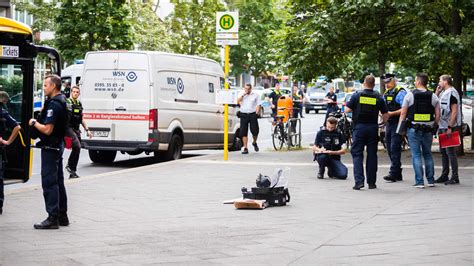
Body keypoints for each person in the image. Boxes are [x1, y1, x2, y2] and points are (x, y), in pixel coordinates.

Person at [29, 75, 69, 229]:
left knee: (49, 182)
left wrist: (34, 123)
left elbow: (47, 129)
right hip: (57, 145)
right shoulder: (63, 101)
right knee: (58, 181)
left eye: (45, 85)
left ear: (53, 86)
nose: (44, 87)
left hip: (51, 148)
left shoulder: (54, 104)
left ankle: (52, 218)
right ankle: (62, 216)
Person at [345, 75, 389, 190]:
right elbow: (385, 114)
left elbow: (347, 110)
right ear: (374, 84)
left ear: (364, 83)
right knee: (372, 155)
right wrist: (383, 124)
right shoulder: (378, 97)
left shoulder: (357, 95)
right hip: (372, 129)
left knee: (357, 155)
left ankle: (359, 182)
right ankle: (372, 183)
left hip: (359, 128)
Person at [398, 73, 440, 188]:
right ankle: (431, 180)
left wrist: (400, 129)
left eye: (415, 80)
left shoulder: (410, 95)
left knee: (416, 155)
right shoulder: (433, 96)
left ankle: (419, 181)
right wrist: (434, 125)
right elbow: (437, 114)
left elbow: (403, 113)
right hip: (428, 129)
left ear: (418, 82)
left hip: (414, 129)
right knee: (427, 154)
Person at [435, 74, 462, 185]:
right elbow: (435, 103)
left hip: (449, 127)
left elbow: (454, 111)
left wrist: (450, 127)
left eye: (440, 80)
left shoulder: (451, 93)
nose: (439, 82)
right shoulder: (443, 93)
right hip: (442, 126)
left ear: (445, 81)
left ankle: (455, 177)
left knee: (450, 152)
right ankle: (444, 175)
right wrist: (437, 92)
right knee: (443, 152)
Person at [381, 74, 407, 182]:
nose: (387, 84)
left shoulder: (401, 92)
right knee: (389, 147)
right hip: (389, 123)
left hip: (398, 122)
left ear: (394, 81)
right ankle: (397, 172)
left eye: (388, 82)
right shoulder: (386, 93)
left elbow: (405, 108)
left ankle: (393, 173)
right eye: (385, 82)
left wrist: (391, 113)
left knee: (394, 147)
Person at [0, 92, 21, 215]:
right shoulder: (3, 112)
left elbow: (17, 127)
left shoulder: (2, 112)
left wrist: (7, 142)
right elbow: (17, 127)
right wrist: (7, 142)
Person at [65, 86, 92, 179]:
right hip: (68, 128)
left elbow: (82, 119)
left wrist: (87, 130)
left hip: (76, 129)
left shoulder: (79, 103)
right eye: (74, 92)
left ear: (79, 94)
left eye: (77, 92)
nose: (75, 93)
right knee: (77, 146)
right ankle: (69, 165)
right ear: (71, 92)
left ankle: (72, 171)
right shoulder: (67, 102)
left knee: (77, 149)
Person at [237, 83, 261, 154]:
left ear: (251, 89)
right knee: (243, 132)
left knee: (255, 130)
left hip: (252, 114)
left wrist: (257, 112)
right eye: (245, 88)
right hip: (243, 114)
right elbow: (238, 101)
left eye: (248, 89)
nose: (246, 90)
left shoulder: (255, 95)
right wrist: (243, 95)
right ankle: (245, 147)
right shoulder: (241, 94)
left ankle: (254, 142)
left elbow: (258, 104)